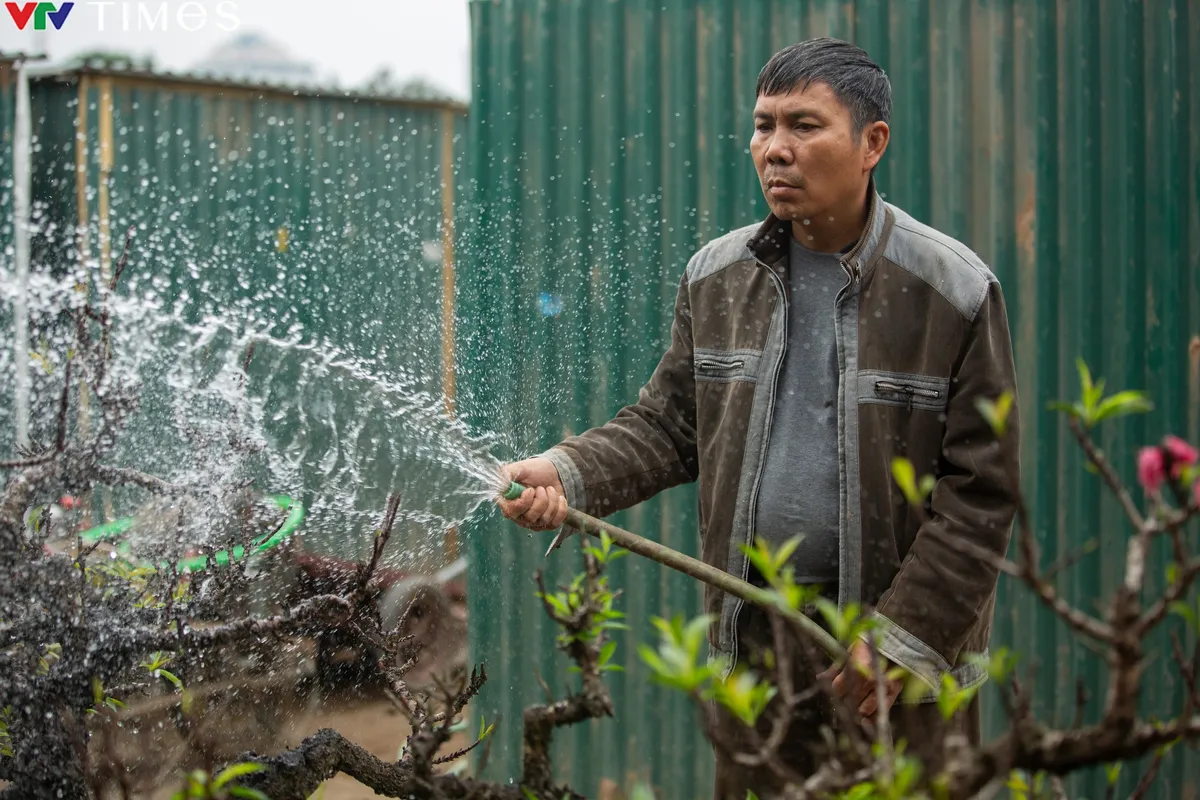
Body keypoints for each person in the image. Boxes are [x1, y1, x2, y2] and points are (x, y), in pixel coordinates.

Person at [497, 37, 1021, 798]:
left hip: (895, 668)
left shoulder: (951, 290)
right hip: (755, 654)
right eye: (763, 125)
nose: (775, 149)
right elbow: (670, 426)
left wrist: (905, 637)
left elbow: (982, 492)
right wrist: (567, 473)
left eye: (804, 126)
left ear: (872, 142)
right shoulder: (717, 277)